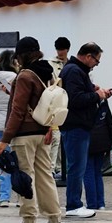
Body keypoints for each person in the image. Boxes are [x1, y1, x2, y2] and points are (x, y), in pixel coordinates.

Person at [0, 37, 61, 223]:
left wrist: (5, 139)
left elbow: (18, 111)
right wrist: (50, 127)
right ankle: (54, 217)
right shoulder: (47, 72)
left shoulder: (25, 75)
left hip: (24, 135)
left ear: (22, 55)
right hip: (43, 131)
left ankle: (29, 218)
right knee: (45, 176)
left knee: (24, 176)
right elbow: (45, 102)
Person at [60, 42, 112, 218]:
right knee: (77, 167)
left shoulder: (74, 70)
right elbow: (75, 99)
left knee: (79, 166)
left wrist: (96, 91)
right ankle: (73, 205)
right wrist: (96, 95)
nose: (96, 65)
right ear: (88, 56)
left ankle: (75, 204)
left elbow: (78, 94)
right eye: (96, 61)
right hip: (76, 125)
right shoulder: (74, 71)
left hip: (78, 125)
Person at [0, 49, 17, 207]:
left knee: (4, 161)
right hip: (15, 124)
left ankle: (3, 198)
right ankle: (23, 197)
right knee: (20, 162)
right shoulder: (16, 78)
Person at [85, 98, 112, 210]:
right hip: (102, 140)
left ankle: (92, 204)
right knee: (98, 173)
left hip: (87, 140)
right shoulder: (102, 101)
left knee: (88, 173)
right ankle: (101, 203)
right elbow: (110, 123)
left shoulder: (83, 100)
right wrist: (111, 142)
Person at [48, 36, 70, 182]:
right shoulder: (51, 64)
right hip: (56, 104)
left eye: (62, 49)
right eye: (58, 49)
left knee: (65, 138)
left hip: (70, 103)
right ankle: (55, 168)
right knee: (56, 138)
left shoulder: (72, 63)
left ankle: (63, 168)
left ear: (67, 49)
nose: (60, 52)